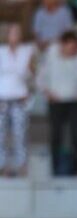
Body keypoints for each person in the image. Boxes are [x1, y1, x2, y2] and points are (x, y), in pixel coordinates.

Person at [40, 29, 77, 176]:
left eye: (75, 46)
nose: (72, 49)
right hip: (56, 101)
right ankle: (55, 167)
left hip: (75, 101)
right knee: (56, 135)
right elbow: (41, 79)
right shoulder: (51, 57)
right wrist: (48, 93)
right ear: (63, 45)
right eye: (70, 46)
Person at [0, 22, 35, 177]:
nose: (15, 35)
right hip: (2, 97)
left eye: (18, 32)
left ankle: (22, 166)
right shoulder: (0, 52)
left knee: (20, 134)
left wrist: (30, 92)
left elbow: (33, 75)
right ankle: (2, 166)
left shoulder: (28, 51)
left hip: (20, 96)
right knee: (0, 134)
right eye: (12, 32)